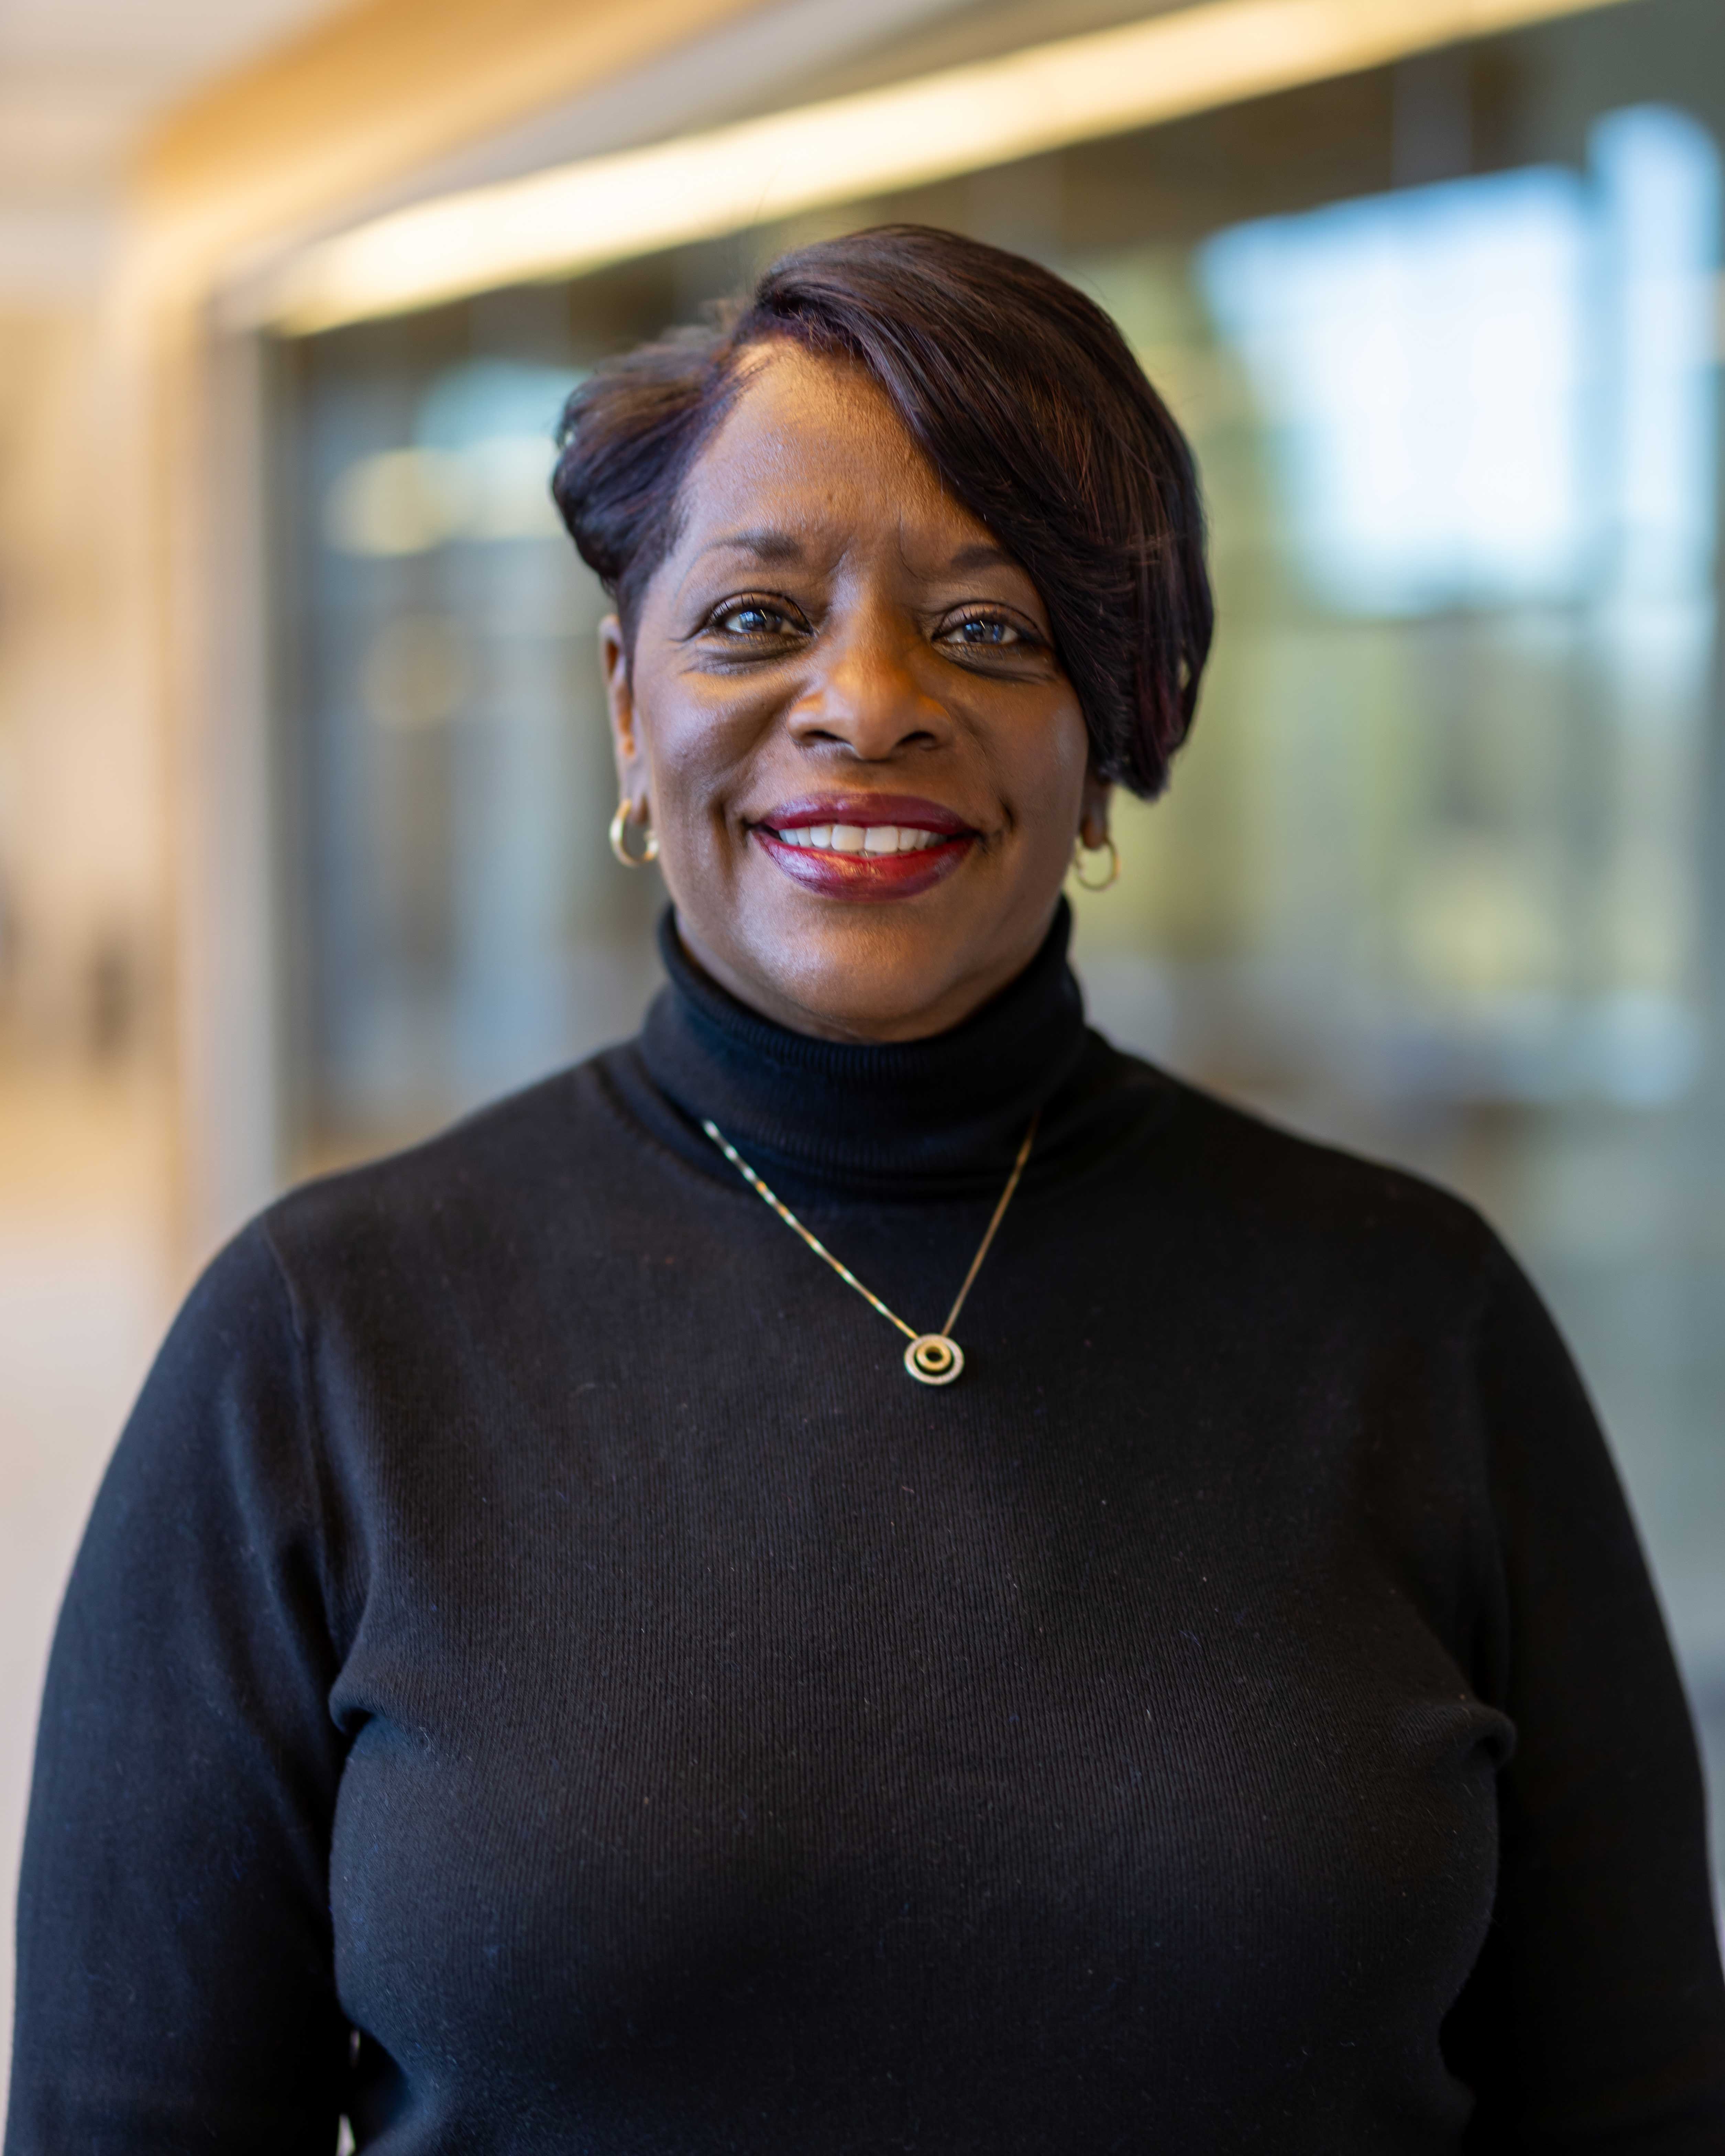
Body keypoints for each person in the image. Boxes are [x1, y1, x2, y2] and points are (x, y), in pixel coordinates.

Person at [8, 225, 1724, 2154]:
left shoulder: (1417, 1318)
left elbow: (1641, 2109)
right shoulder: (320, 1343)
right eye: (755, 617)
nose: (868, 701)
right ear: (625, 708)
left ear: (1109, 744)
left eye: (990, 629)